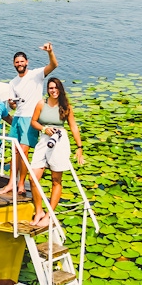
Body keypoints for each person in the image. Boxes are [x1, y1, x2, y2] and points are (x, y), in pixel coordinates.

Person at [0, 42, 58, 195]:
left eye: (22, 61)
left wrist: (50, 52)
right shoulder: (13, 82)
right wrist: (11, 104)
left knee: (24, 151)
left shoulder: (36, 74)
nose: (20, 64)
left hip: (30, 118)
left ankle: (20, 184)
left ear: (27, 62)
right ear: (14, 64)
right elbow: (13, 105)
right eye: (17, 62)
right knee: (14, 152)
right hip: (18, 117)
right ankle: (11, 183)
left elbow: (53, 65)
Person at [29, 77, 85, 227]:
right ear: (47, 90)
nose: (53, 91)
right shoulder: (42, 103)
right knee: (33, 178)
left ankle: (49, 215)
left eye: (55, 88)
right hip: (44, 140)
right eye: (50, 88)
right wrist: (44, 129)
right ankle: (39, 210)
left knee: (56, 180)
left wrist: (79, 148)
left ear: (60, 89)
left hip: (60, 142)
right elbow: (33, 122)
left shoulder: (66, 106)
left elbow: (73, 127)